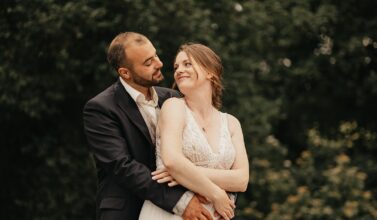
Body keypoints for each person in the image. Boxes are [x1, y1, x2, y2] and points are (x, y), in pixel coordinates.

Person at [83, 32, 214, 220]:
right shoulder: (101, 108)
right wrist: (180, 201)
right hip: (128, 210)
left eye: (155, 56)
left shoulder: (174, 98)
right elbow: (122, 166)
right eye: (148, 63)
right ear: (125, 72)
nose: (159, 64)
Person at [139, 43, 249, 220]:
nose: (179, 70)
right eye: (176, 67)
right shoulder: (174, 107)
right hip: (170, 214)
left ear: (210, 72)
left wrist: (185, 172)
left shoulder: (231, 123)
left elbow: (242, 180)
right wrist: (216, 193)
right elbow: (172, 161)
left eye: (187, 64)